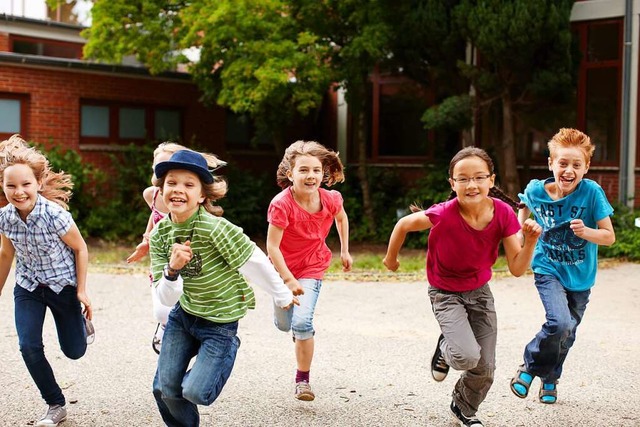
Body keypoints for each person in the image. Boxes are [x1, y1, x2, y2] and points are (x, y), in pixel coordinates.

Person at [383, 146, 541, 427]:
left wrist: (529, 243)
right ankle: (446, 347)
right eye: (463, 178)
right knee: (466, 355)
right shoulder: (443, 213)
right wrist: (390, 258)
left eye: (479, 177)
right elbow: (404, 224)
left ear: (491, 180)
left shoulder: (503, 214)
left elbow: (517, 269)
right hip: (444, 292)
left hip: (480, 294)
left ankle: (464, 407)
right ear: (452, 184)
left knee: (486, 367)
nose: (472, 184)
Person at [149, 149, 298, 427]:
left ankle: (229, 347)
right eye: (171, 183)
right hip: (184, 316)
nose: (178, 190)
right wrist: (172, 270)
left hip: (220, 322)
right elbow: (167, 297)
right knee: (163, 391)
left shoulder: (215, 228)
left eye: (188, 184)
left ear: (202, 195)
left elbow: (253, 260)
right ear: (160, 190)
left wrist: (281, 294)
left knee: (194, 392)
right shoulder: (160, 235)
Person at [509, 128, 615, 405]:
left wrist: (587, 233)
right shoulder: (536, 189)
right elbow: (524, 204)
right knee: (559, 322)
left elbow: (609, 236)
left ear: (586, 168)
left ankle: (550, 379)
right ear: (551, 164)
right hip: (548, 267)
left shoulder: (592, 193)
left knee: (566, 334)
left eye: (576, 165)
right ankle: (529, 368)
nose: (569, 170)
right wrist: (523, 230)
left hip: (581, 276)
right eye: (563, 163)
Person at [0, 135, 93, 427]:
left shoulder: (55, 216)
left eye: (25, 184)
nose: (19, 191)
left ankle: (81, 322)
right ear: (3, 187)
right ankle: (55, 403)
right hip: (28, 288)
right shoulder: (4, 218)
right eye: (11, 185)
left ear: (38, 183)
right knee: (29, 346)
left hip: (63, 287)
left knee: (74, 351)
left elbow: (80, 248)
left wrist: (82, 291)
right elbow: (5, 254)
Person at [266, 140, 352, 401]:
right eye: (303, 170)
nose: (311, 176)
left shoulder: (331, 199)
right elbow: (272, 246)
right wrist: (288, 279)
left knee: (302, 323)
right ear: (290, 174)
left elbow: (341, 217)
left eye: (316, 170)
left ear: (323, 174)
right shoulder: (282, 204)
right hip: (282, 271)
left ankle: (302, 380)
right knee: (285, 325)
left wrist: (345, 249)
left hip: (313, 267)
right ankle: (295, 328)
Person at [126, 142, 225, 354]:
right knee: (163, 309)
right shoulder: (150, 194)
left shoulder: (189, 196)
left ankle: (194, 334)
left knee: (186, 299)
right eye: (156, 166)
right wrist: (146, 240)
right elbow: (154, 217)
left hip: (189, 254)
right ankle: (164, 326)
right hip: (163, 255)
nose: (158, 171)